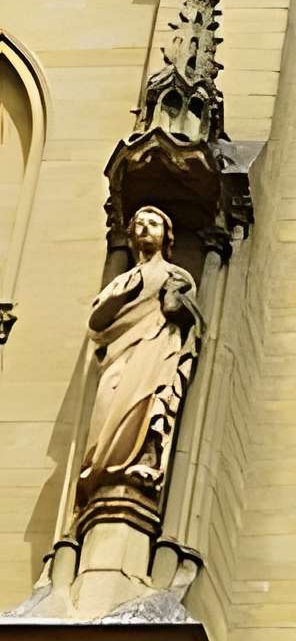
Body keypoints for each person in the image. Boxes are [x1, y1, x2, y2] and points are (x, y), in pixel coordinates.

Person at [76, 203, 201, 513]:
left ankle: (146, 460)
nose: (146, 228)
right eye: (140, 224)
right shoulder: (122, 280)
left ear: (167, 237)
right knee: (109, 399)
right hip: (120, 352)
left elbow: (183, 313)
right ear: (131, 235)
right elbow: (97, 323)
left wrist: (174, 296)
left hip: (157, 345)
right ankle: (102, 468)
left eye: (154, 224)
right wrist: (124, 293)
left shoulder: (176, 274)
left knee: (148, 400)